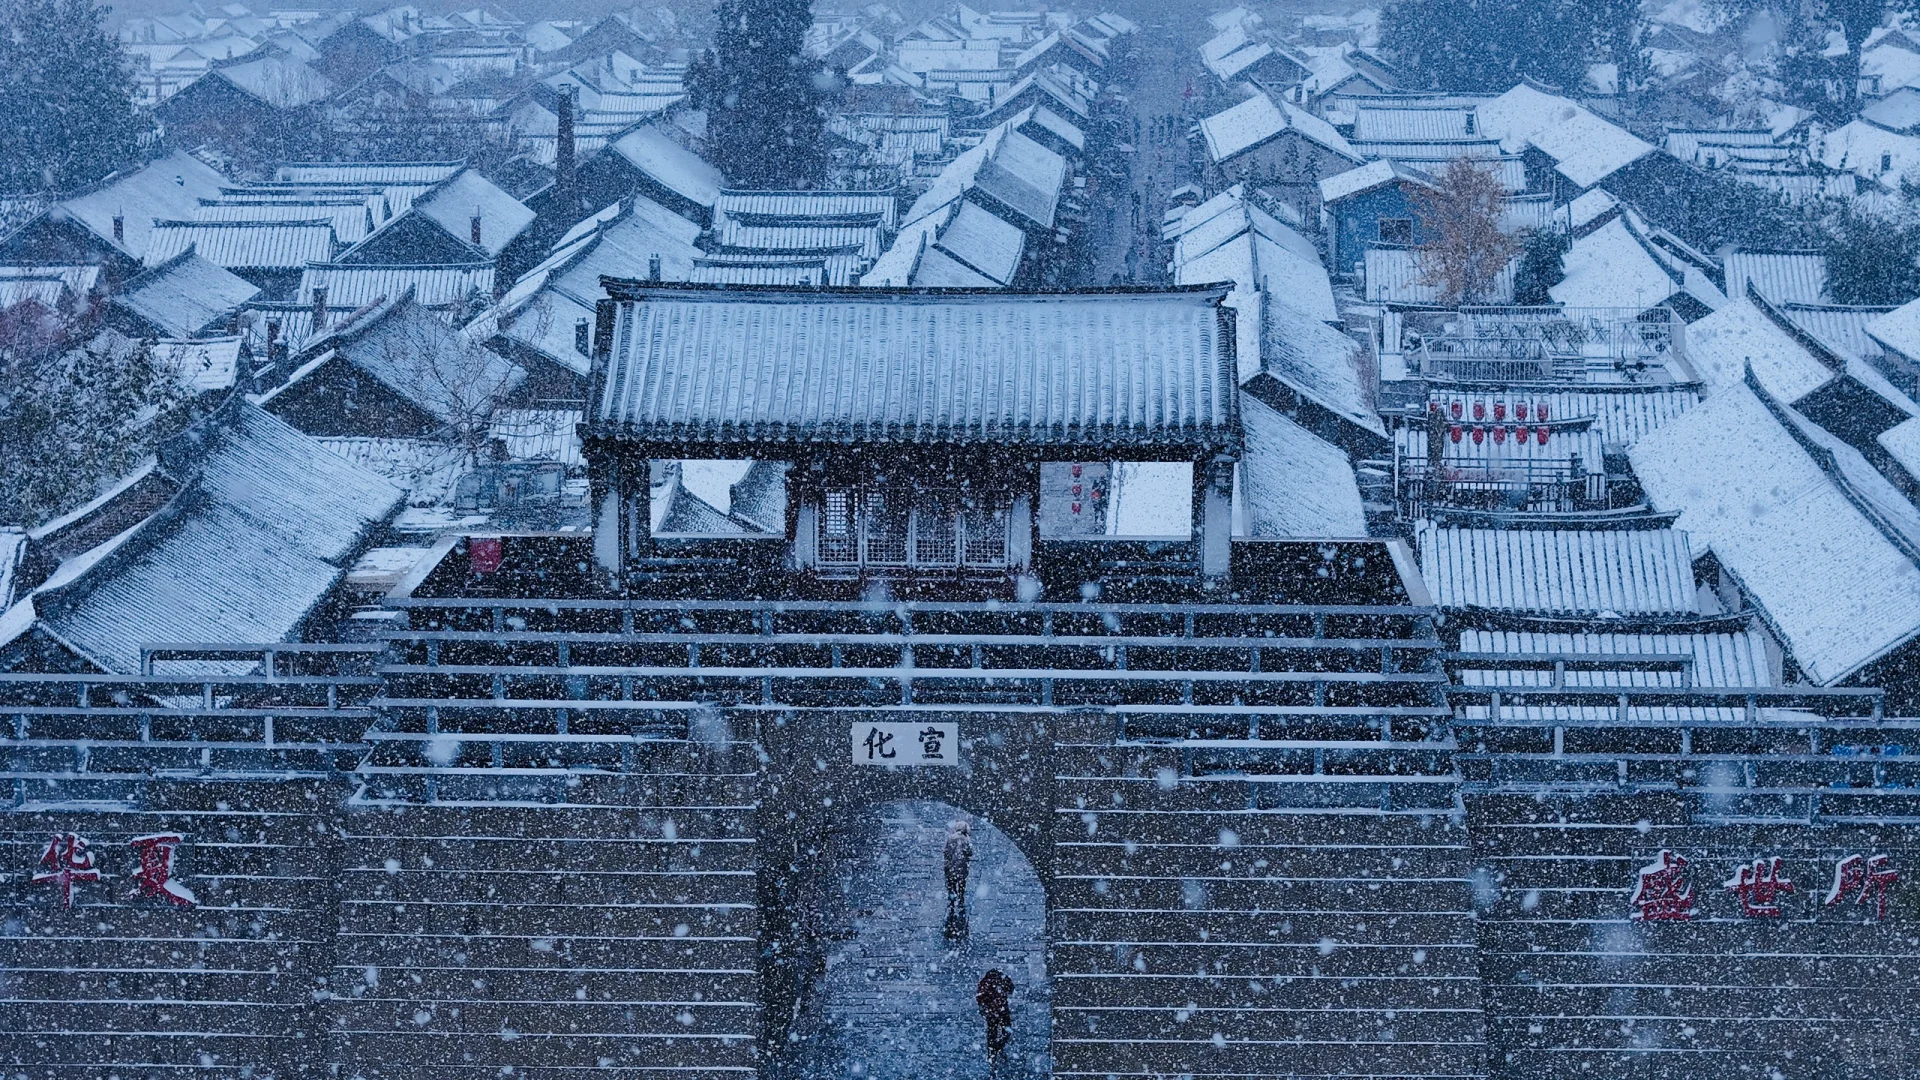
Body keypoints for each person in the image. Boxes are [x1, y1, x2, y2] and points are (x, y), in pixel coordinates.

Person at [975, 968, 1015, 1058]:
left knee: (992, 1033)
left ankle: (992, 1053)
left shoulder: (985, 982)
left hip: (991, 1011)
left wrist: (983, 1007)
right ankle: (998, 1047)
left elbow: (979, 997)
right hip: (1002, 1010)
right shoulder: (1002, 979)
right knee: (1006, 1031)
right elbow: (1011, 990)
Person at [943, 819, 973, 932]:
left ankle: (952, 899)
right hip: (962, 866)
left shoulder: (950, 838)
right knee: (961, 882)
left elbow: (945, 851)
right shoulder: (966, 839)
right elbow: (969, 852)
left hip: (950, 866)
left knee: (951, 883)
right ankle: (961, 898)